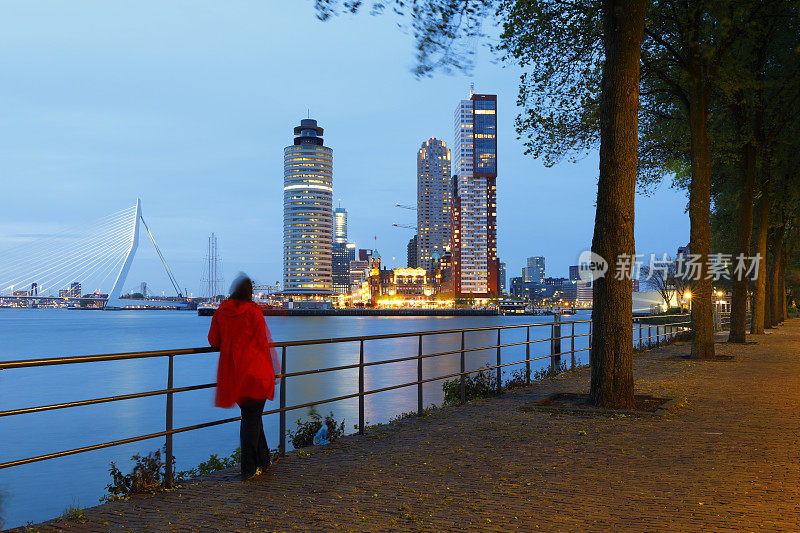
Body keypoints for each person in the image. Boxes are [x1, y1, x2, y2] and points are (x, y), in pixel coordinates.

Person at [208, 273, 280, 480]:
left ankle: (264, 463)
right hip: (257, 373)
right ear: (250, 292)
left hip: (235, 376)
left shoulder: (221, 311)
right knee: (252, 419)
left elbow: (213, 340)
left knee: (251, 418)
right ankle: (248, 469)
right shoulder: (254, 312)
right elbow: (264, 343)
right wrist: (275, 369)